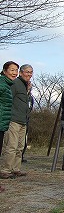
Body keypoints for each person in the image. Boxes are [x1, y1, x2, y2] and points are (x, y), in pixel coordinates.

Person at [1, 64, 33, 179]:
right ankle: (5, 170)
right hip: (13, 119)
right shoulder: (14, 83)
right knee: (11, 146)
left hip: (23, 121)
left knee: (20, 146)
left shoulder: (26, 86)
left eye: (31, 72)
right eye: (27, 72)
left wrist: (28, 90)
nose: (29, 74)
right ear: (21, 73)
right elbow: (8, 99)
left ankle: (15, 169)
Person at [0, 61, 19, 190]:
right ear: (5, 70)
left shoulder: (6, 85)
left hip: (2, 123)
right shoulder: (1, 84)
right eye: (12, 70)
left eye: (16, 70)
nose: (14, 73)